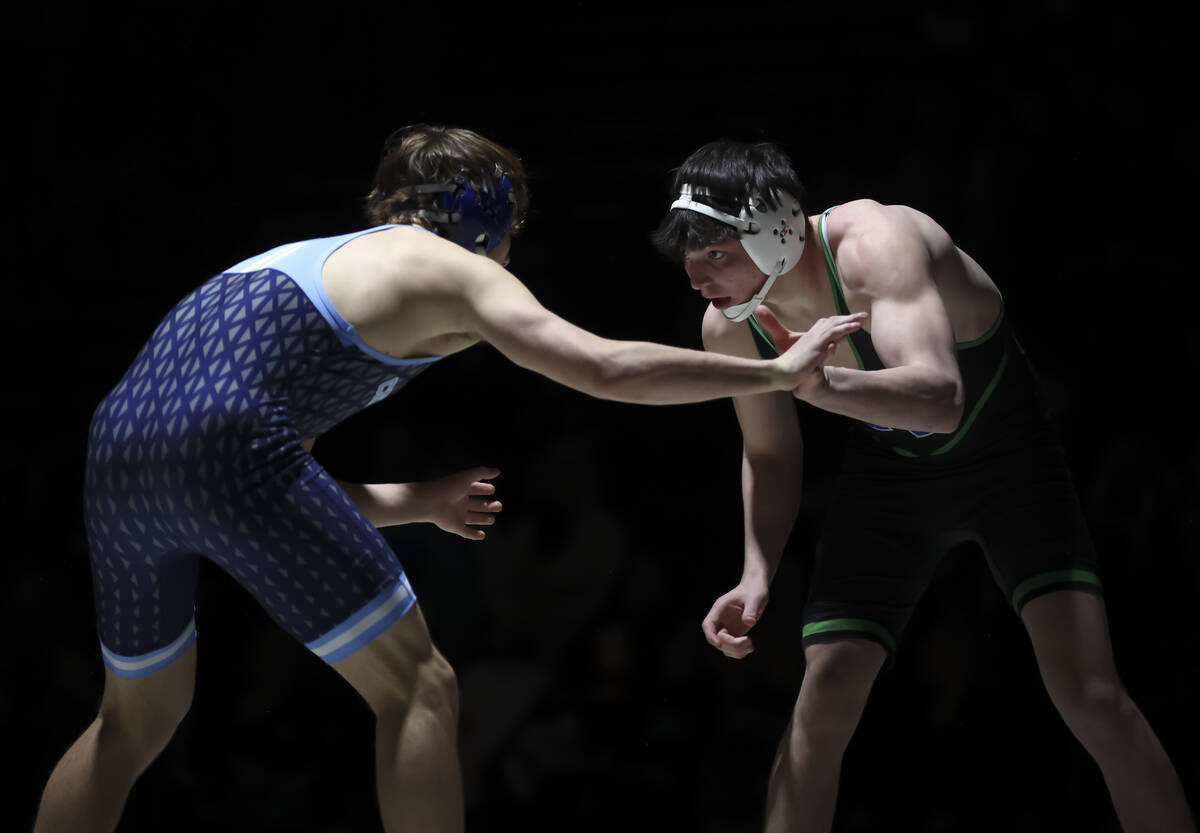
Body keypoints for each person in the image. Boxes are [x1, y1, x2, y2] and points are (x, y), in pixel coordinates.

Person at [32, 125, 865, 833]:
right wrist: (777, 372)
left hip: (115, 453)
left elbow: (267, 477)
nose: (511, 256)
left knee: (132, 719)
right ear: (487, 221)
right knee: (419, 687)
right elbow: (606, 370)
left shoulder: (297, 263)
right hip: (226, 448)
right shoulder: (450, 266)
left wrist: (421, 501)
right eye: (511, 235)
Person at [653, 138, 1196, 833]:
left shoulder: (878, 241)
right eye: (690, 262)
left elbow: (940, 401)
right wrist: (756, 573)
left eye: (716, 256)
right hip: (891, 473)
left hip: (1008, 456)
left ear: (776, 225)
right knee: (822, 700)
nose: (699, 281)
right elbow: (769, 448)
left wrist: (815, 382)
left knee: (1089, 693)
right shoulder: (728, 327)